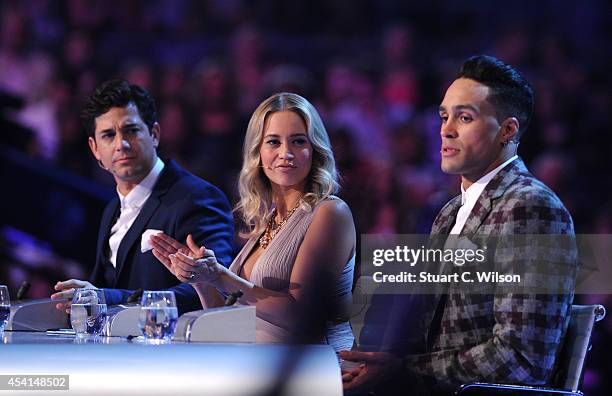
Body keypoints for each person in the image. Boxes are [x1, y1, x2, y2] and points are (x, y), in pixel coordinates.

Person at [341, 55, 578, 394]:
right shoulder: (449, 211)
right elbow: (423, 331)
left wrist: (403, 371)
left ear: (508, 130)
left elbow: (522, 358)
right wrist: (372, 361)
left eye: (464, 117)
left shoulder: (531, 208)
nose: (446, 129)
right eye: (444, 115)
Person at [151, 92, 356, 352]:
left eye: (298, 141)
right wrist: (199, 277)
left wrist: (221, 276)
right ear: (257, 151)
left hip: (318, 370)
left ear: (314, 150)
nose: (286, 153)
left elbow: (301, 314)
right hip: (258, 369)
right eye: (273, 142)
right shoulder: (269, 220)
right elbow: (229, 323)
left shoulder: (330, 213)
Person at [51, 79, 234, 314]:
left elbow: (216, 289)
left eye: (131, 130)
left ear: (155, 134)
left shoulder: (198, 198)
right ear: (95, 149)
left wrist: (107, 298)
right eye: (108, 135)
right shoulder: (111, 209)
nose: (122, 144)